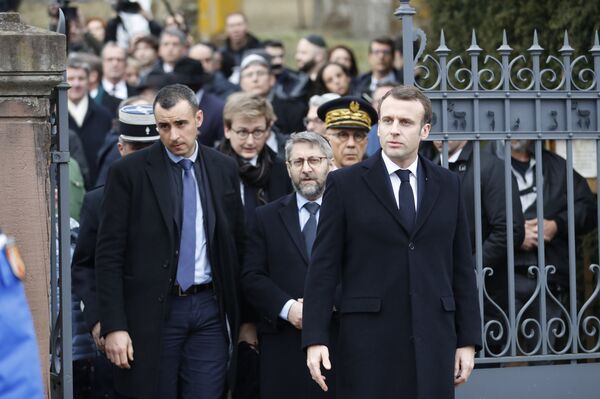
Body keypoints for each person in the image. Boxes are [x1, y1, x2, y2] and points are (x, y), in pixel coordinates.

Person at [303, 85, 481, 399]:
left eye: (405, 122)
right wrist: (315, 337)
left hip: (434, 339)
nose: (394, 130)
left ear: (425, 130)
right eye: (387, 121)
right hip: (369, 341)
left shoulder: (448, 184)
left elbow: (461, 266)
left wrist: (467, 340)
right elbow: (323, 267)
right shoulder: (345, 184)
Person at [95, 84, 246, 399]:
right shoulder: (129, 173)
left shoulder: (223, 168)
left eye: (181, 124)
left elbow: (237, 244)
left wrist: (245, 319)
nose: (174, 135)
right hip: (154, 312)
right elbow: (108, 255)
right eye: (164, 126)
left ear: (199, 118)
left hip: (210, 308)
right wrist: (114, 325)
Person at [242, 132, 336, 399]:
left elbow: (363, 272)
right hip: (282, 343)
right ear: (288, 168)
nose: (306, 169)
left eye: (314, 160)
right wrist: (289, 308)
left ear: (329, 163)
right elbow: (252, 276)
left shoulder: (350, 213)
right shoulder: (266, 217)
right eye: (298, 162)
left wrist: (324, 305)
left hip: (338, 339)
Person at [496, 140, 597, 352]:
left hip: (549, 279)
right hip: (499, 280)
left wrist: (558, 224)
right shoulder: (486, 164)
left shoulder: (556, 166)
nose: (517, 128)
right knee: (495, 354)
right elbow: (467, 219)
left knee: (547, 356)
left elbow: (588, 208)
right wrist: (514, 236)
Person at [220, 92, 292, 223]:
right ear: (227, 130)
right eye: (242, 132)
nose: (250, 141)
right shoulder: (211, 166)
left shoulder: (281, 169)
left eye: (258, 132)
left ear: (268, 130)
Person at [67, 58, 113, 188]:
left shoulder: (104, 115)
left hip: (99, 188)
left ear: (89, 81)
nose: (76, 84)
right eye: (71, 78)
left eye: (81, 79)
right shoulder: (55, 116)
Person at [317, 96, 377, 168]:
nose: (351, 144)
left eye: (358, 136)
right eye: (342, 135)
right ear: (327, 140)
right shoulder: (315, 177)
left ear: (366, 141)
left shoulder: (379, 177)